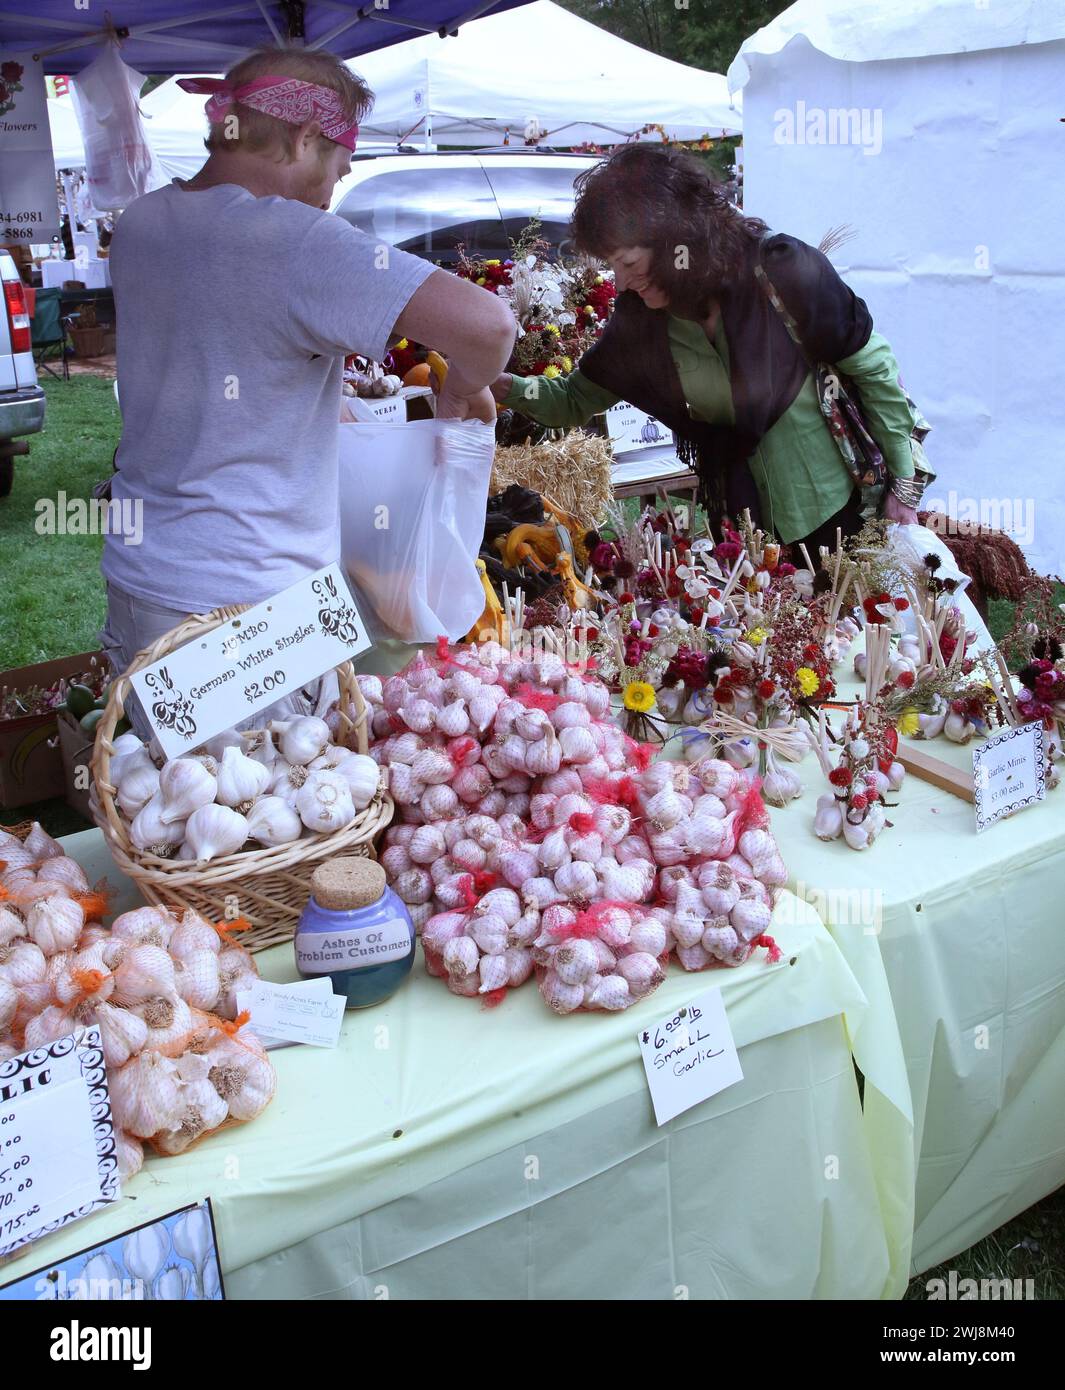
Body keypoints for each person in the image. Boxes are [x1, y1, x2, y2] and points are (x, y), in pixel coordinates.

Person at [101, 45, 513, 681]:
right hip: (251, 608)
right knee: (270, 779)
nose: (331, 192)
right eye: (339, 167)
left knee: (139, 776)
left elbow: (222, 343)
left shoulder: (141, 222)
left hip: (142, 578)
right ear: (303, 139)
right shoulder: (293, 240)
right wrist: (459, 389)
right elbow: (490, 328)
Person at [489, 144, 923, 555]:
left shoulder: (781, 267)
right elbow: (572, 398)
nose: (620, 283)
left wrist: (903, 485)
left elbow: (873, 367)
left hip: (839, 511)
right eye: (612, 267)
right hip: (742, 536)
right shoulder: (642, 319)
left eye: (629, 263)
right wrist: (497, 383)